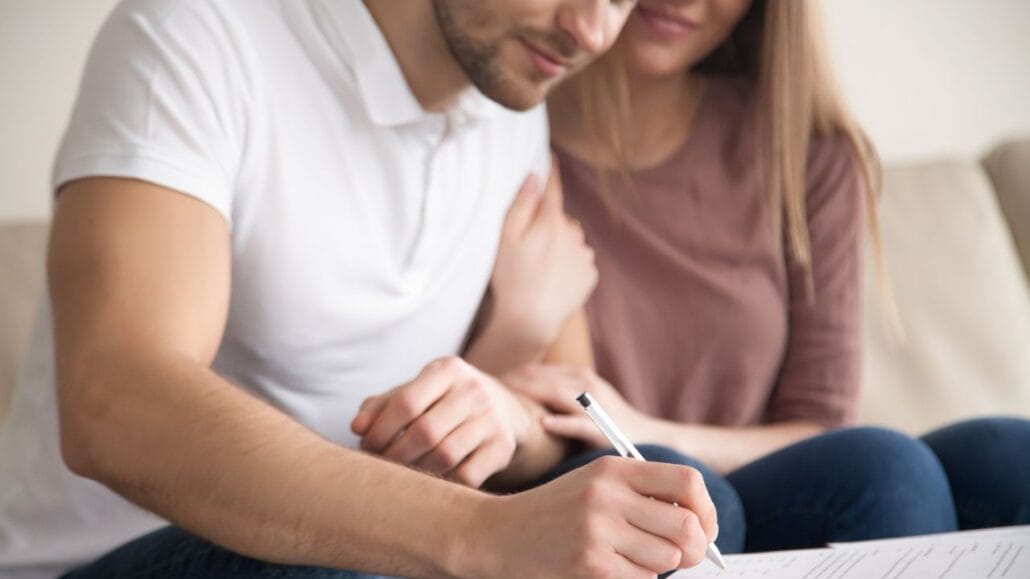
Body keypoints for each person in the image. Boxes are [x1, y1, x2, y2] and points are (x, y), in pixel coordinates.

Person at [0, 1, 724, 578]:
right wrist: (481, 534)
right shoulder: (195, 38)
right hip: (124, 554)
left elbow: (562, 407)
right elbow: (116, 404)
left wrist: (506, 409)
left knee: (687, 499)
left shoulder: (511, 100)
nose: (593, 31)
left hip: (384, 539)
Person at [492, 0, 1030, 554]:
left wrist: (648, 427)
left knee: (1008, 455)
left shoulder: (806, 152)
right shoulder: (506, 141)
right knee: (699, 490)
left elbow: (821, 425)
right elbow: (544, 403)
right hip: (595, 485)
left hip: (759, 484)